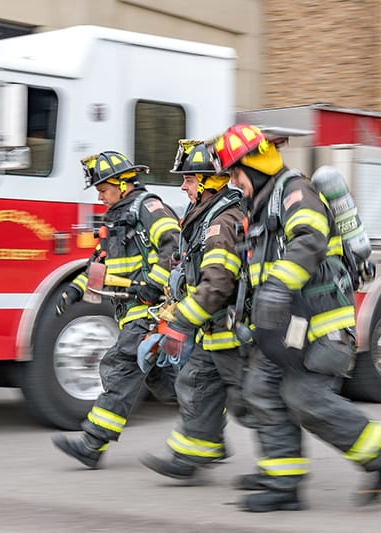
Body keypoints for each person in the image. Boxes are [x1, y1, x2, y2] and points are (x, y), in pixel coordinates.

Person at [209, 124, 381, 512]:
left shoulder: (295, 192)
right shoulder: (262, 203)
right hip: (286, 328)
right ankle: (283, 481)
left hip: (320, 326)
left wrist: (278, 288)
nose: (234, 183)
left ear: (254, 165)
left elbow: (309, 239)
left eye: (236, 173)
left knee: (305, 398)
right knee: (261, 391)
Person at [52, 150, 181, 468]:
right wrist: (74, 289)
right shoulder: (113, 219)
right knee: (165, 381)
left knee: (121, 367)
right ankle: (211, 406)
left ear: (123, 185)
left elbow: (173, 244)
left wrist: (155, 282)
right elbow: (98, 265)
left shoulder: (148, 207)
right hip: (129, 310)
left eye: (103, 190)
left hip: (150, 309)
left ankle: (92, 444)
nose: (100, 197)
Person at [140, 140, 248, 480]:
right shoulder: (203, 217)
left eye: (189, 179)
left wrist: (183, 321)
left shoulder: (223, 222)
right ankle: (190, 455)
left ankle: (284, 468)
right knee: (197, 382)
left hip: (233, 332)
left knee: (255, 402)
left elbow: (217, 282)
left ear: (210, 181)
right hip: (213, 329)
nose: (183, 186)